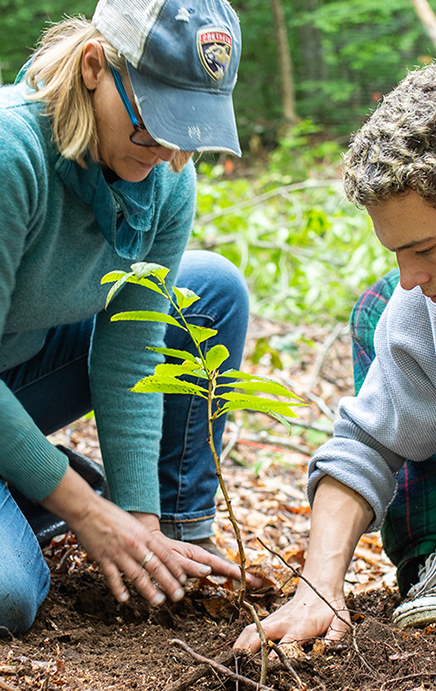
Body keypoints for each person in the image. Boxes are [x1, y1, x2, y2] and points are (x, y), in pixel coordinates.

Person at [235, 60, 436, 651]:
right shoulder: (430, 306)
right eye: (397, 251)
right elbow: (365, 445)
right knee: (378, 308)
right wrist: (318, 589)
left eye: (425, 248)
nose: (411, 278)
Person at [0, 0, 261, 637]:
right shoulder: (12, 154)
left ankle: (173, 538)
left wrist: (140, 520)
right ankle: (42, 491)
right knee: (8, 597)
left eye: (190, 129)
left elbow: (133, 349)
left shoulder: (168, 172)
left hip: (21, 372)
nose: (171, 152)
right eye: (154, 124)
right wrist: (84, 508)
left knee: (208, 288)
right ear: (94, 66)